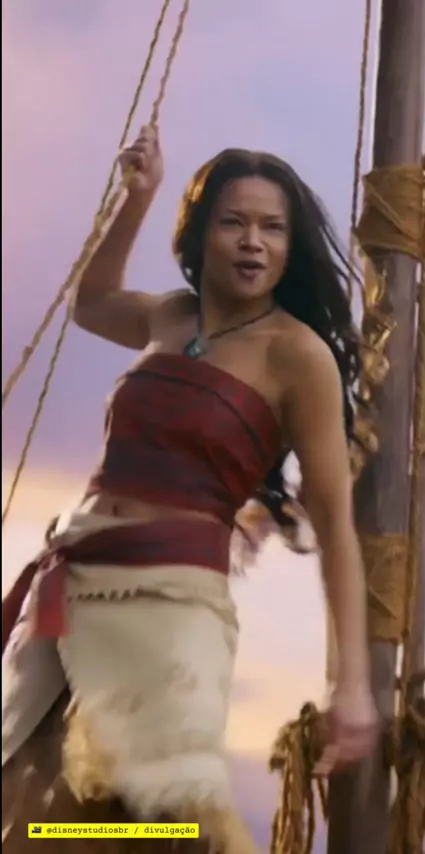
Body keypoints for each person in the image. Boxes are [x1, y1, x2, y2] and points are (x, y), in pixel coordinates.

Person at [2, 125, 377, 853]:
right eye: (234, 222)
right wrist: (137, 198)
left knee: (171, 815)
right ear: (202, 233)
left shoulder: (298, 355)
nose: (253, 242)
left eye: (272, 228)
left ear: (290, 246)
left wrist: (352, 685)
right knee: (32, 804)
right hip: (72, 581)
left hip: (173, 607)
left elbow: (336, 528)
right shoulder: (172, 316)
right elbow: (92, 302)